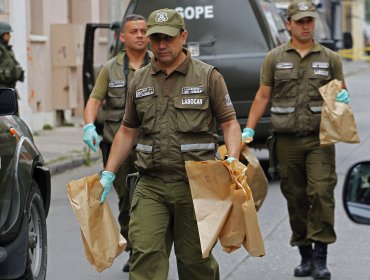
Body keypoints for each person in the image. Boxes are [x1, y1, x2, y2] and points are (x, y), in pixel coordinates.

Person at [99, 8, 241, 280]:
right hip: (151, 184)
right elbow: (127, 131)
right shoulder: (139, 80)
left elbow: (230, 124)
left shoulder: (208, 76)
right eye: (155, 39)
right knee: (145, 256)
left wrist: (232, 159)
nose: (161, 45)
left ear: (183, 36)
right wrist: (109, 172)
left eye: (168, 38)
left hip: (196, 186)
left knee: (195, 262)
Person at [242, 1, 349, 279]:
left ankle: (320, 259)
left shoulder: (330, 58)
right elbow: (263, 96)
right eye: (300, 21)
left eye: (309, 21)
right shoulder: (275, 57)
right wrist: (249, 130)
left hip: (320, 139)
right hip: (286, 141)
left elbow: (340, 93)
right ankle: (304, 254)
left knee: (322, 194)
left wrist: (342, 99)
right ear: (288, 24)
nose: (305, 26)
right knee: (296, 197)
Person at [82, 14, 151, 273]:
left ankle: (150, 249)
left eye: (144, 30)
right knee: (126, 200)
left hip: (150, 145)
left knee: (150, 199)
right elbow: (94, 101)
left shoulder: (157, 64)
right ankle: (135, 249)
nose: (141, 35)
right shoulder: (110, 68)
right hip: (117, 147)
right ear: (123, 37)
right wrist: (89, 125)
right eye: (134, 31)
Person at [0, 21, 25, 100]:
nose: (9, 37)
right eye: (7, 34)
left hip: (10, 89)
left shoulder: (8, 50)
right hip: (2, 91)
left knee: (12, 112)